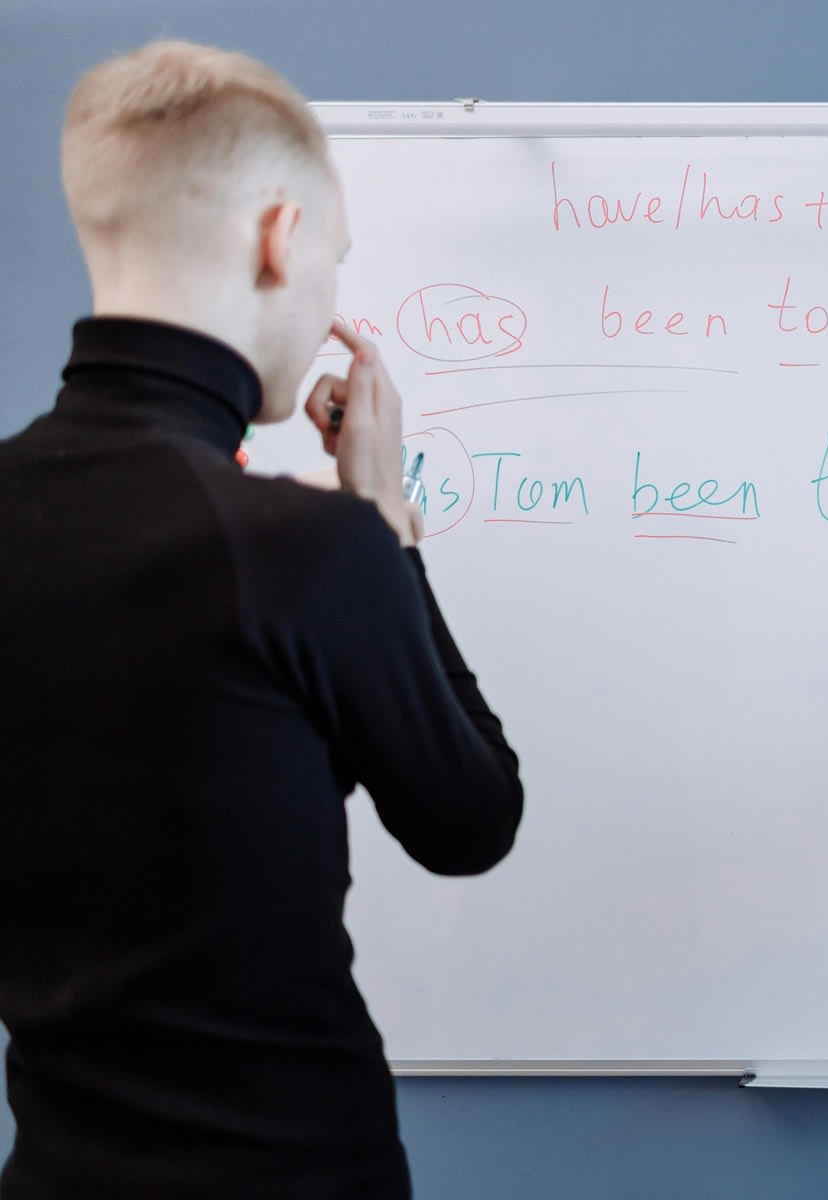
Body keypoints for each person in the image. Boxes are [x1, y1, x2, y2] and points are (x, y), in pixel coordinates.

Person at [0, 40, 524, 1199]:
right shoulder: (306, 549)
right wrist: (384, 527)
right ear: (281, 239)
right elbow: (472, 818)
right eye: (335, 259)